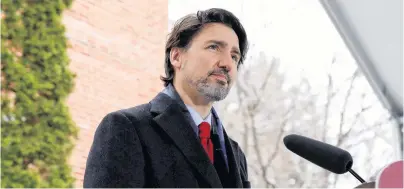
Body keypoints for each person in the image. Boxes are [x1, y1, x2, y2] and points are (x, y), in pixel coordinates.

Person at [83, 8, 250, 188]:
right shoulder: (127, 128)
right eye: (214, 47)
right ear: (177, 57)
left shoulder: (236, 154)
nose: (226, 63)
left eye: (234, 56)